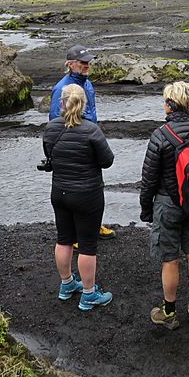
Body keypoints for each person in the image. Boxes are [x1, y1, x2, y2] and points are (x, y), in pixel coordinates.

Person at [139, 81, 189, 330]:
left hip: (167, 204)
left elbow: (149, 178)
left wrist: (146, 209)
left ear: (169, 104)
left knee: (169, 260)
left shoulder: (160, 135)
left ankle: (168, 312)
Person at [43, 83, 115, 311]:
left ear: (61, 103)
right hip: (87, 194)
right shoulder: (91, 129)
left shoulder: (51, 128)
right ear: (83, 104)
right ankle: (88, 294)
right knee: (87, 245)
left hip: (60, 192)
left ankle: (66, 285)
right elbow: (107, 160)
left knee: (63, 239)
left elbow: (49, 155)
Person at [49, 44, 115, 240]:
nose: (87, 65)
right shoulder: (62, 88)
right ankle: (77, 235)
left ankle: (94, 225)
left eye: (88, 62)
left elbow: (92, 112)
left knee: (96, 186)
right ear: (70, 64)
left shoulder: (86, 83)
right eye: (82, 62)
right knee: (76, 189)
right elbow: (55, 121)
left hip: (89, 139)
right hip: (73, 144)